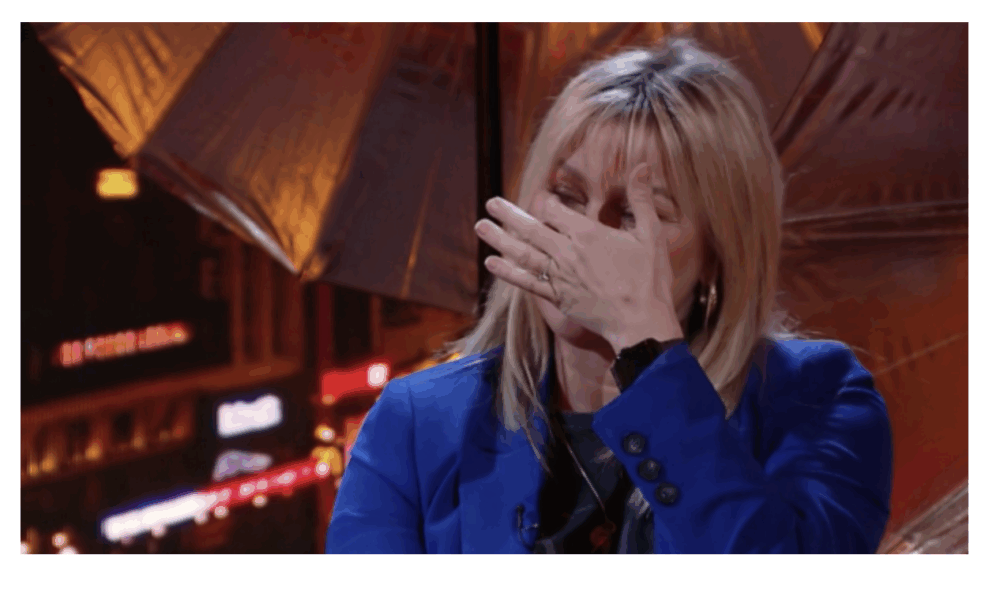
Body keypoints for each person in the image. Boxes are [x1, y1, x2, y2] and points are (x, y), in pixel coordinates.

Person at [325, 37, 893, 554]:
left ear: (718, 252)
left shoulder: (817, 400)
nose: (585, 235)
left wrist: (645, 347)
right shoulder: (415, 422)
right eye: (567, 196)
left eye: (632, 215)